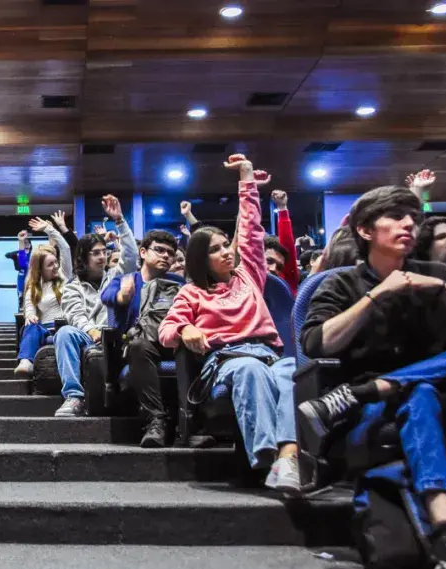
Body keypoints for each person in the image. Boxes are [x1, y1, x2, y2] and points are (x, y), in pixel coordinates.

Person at [297, 184, 446, 569]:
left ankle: (372, 387)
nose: (409, 224)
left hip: (440, 403)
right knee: (420, 394)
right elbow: (315, 344)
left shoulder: (442, 276)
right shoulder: (340, 283)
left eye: (412, 217)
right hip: (371, 417)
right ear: (364, 231)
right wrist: (378, 294)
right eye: (395, 217)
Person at [159, 155, 298, 492]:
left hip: (269, 354)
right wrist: (186, 329)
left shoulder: (249, 275)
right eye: (216, 250)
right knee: (251, 369)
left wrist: (247, 179)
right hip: (227, 360)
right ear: (199, 260)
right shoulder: (192, 292)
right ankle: (266, 456)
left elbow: (250, 229)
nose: (226, 252)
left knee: (295, 371)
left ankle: (288, 458)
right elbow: (165, 331)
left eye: (226, 245)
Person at [102, 230, 203, 447]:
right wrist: (122, 296)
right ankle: (156, 420)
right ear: (143, 252)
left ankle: (191, 424)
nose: (166, 256)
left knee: (192, 345)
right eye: (160, 250)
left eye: (171, 253)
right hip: (140, 345)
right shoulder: (125, 280)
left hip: (173, 340)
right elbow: (107, 297)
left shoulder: (179, 283)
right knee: (138, 345)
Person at [55, 195, 137, 418]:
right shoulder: (73, 287)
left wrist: (120, 220)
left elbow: (130, 258)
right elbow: (76, 315)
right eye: (96, 253)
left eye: (104, 252)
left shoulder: (114, 277)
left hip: (115, 333)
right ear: (83, 257)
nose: (102, 257)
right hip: (89, 334)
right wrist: (92, 331)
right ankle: (74, 397)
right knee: (64, 332)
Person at [14, 245, 66, 376]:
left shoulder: (64, 281)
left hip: (63, 327)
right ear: (40, 269)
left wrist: (51, 231)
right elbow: (29, 307)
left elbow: (65, 248)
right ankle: (26, 362)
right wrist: (30, 315)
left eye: (56, 262)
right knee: (31, 325)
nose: (55, 266)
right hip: (43, 329)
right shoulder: (33, 288)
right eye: (50, 264)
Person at [268, 190, 300, 294]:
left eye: (280, 267)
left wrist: (282, 208)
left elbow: (288, 245)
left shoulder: (287, 282)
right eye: (269, 261)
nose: (273, 269)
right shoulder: (246, 286)